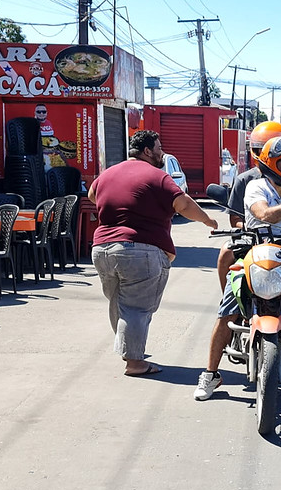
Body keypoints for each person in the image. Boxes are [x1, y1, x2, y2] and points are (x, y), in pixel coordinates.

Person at [196, 133, 281, 401]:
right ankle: (210, 373)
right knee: (228, 312)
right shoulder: (257, 188)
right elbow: (264, 215)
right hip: (253, 257)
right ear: (271, 163)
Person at [89, 130, 219, 377]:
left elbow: (92, 195)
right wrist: (207, 219)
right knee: (137, 307)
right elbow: (183, 204)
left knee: (119, 301)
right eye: (159, 148)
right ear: (147, 151)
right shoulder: (157, 176)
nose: (162, 152)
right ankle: (135, 363)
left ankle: (129, 350)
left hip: (102, 250)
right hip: (139, 249)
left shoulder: (108, 173)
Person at [216, 121, 281, 290]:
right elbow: (236, 219)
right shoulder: (247, 180)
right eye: (261, 148)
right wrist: (254, 227)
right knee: (225, 252)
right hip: (253, 238)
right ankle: (227, 302)